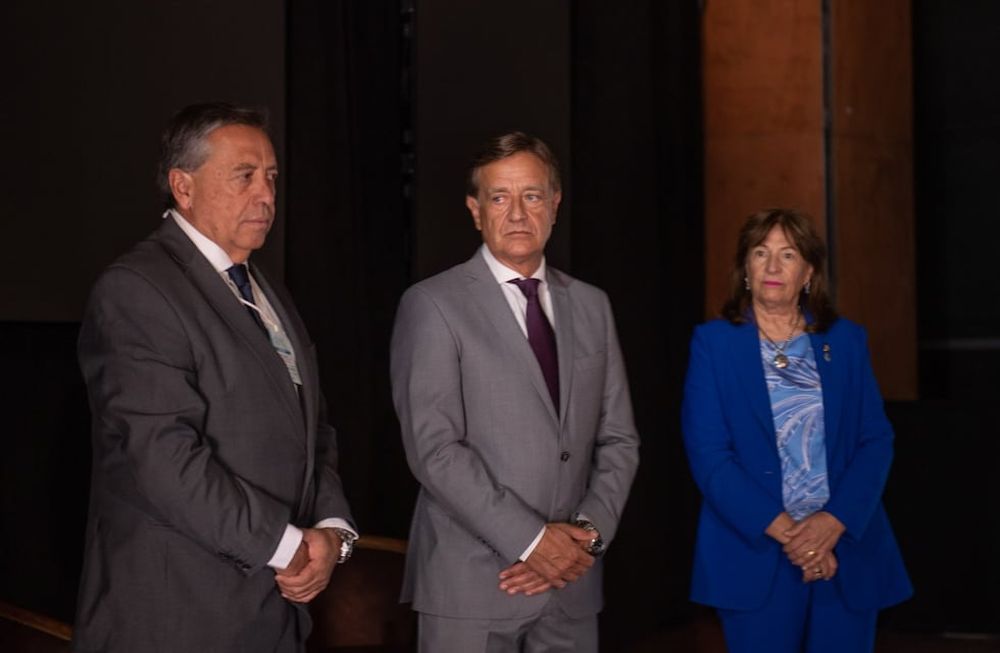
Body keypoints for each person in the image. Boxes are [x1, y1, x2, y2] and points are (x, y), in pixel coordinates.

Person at [72, 103, 357, 653]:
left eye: (271, 177)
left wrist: (332, 529)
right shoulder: (137, 289)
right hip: (175, 616)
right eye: (244, 176)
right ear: (183, 186)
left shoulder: (262, 287)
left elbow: (310, 427)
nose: (267, 195)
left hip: (272, 611)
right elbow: (163, 457)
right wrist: (287, 545)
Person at [390, 131, 640, 652]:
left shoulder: (593, 306)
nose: (518, 213)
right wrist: (531, 542)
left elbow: (618, 440)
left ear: (555, 204)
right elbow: (434, 450)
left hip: (573, 582)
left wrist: (584, 541)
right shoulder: (432, 305)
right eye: (500, 197)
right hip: (472, 583)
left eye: (531, 195)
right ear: (475, 211)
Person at [681, 208, 912, 652]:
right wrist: (798, 539)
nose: (772, 266)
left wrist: (831, 524)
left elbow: (874, 440)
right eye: (760, 253)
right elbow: (709, 455)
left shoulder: (845, 341)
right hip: (756, 552)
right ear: (744, 268)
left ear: (808, 271)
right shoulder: (713, 344)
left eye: (787, 255)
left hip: (844, 548)